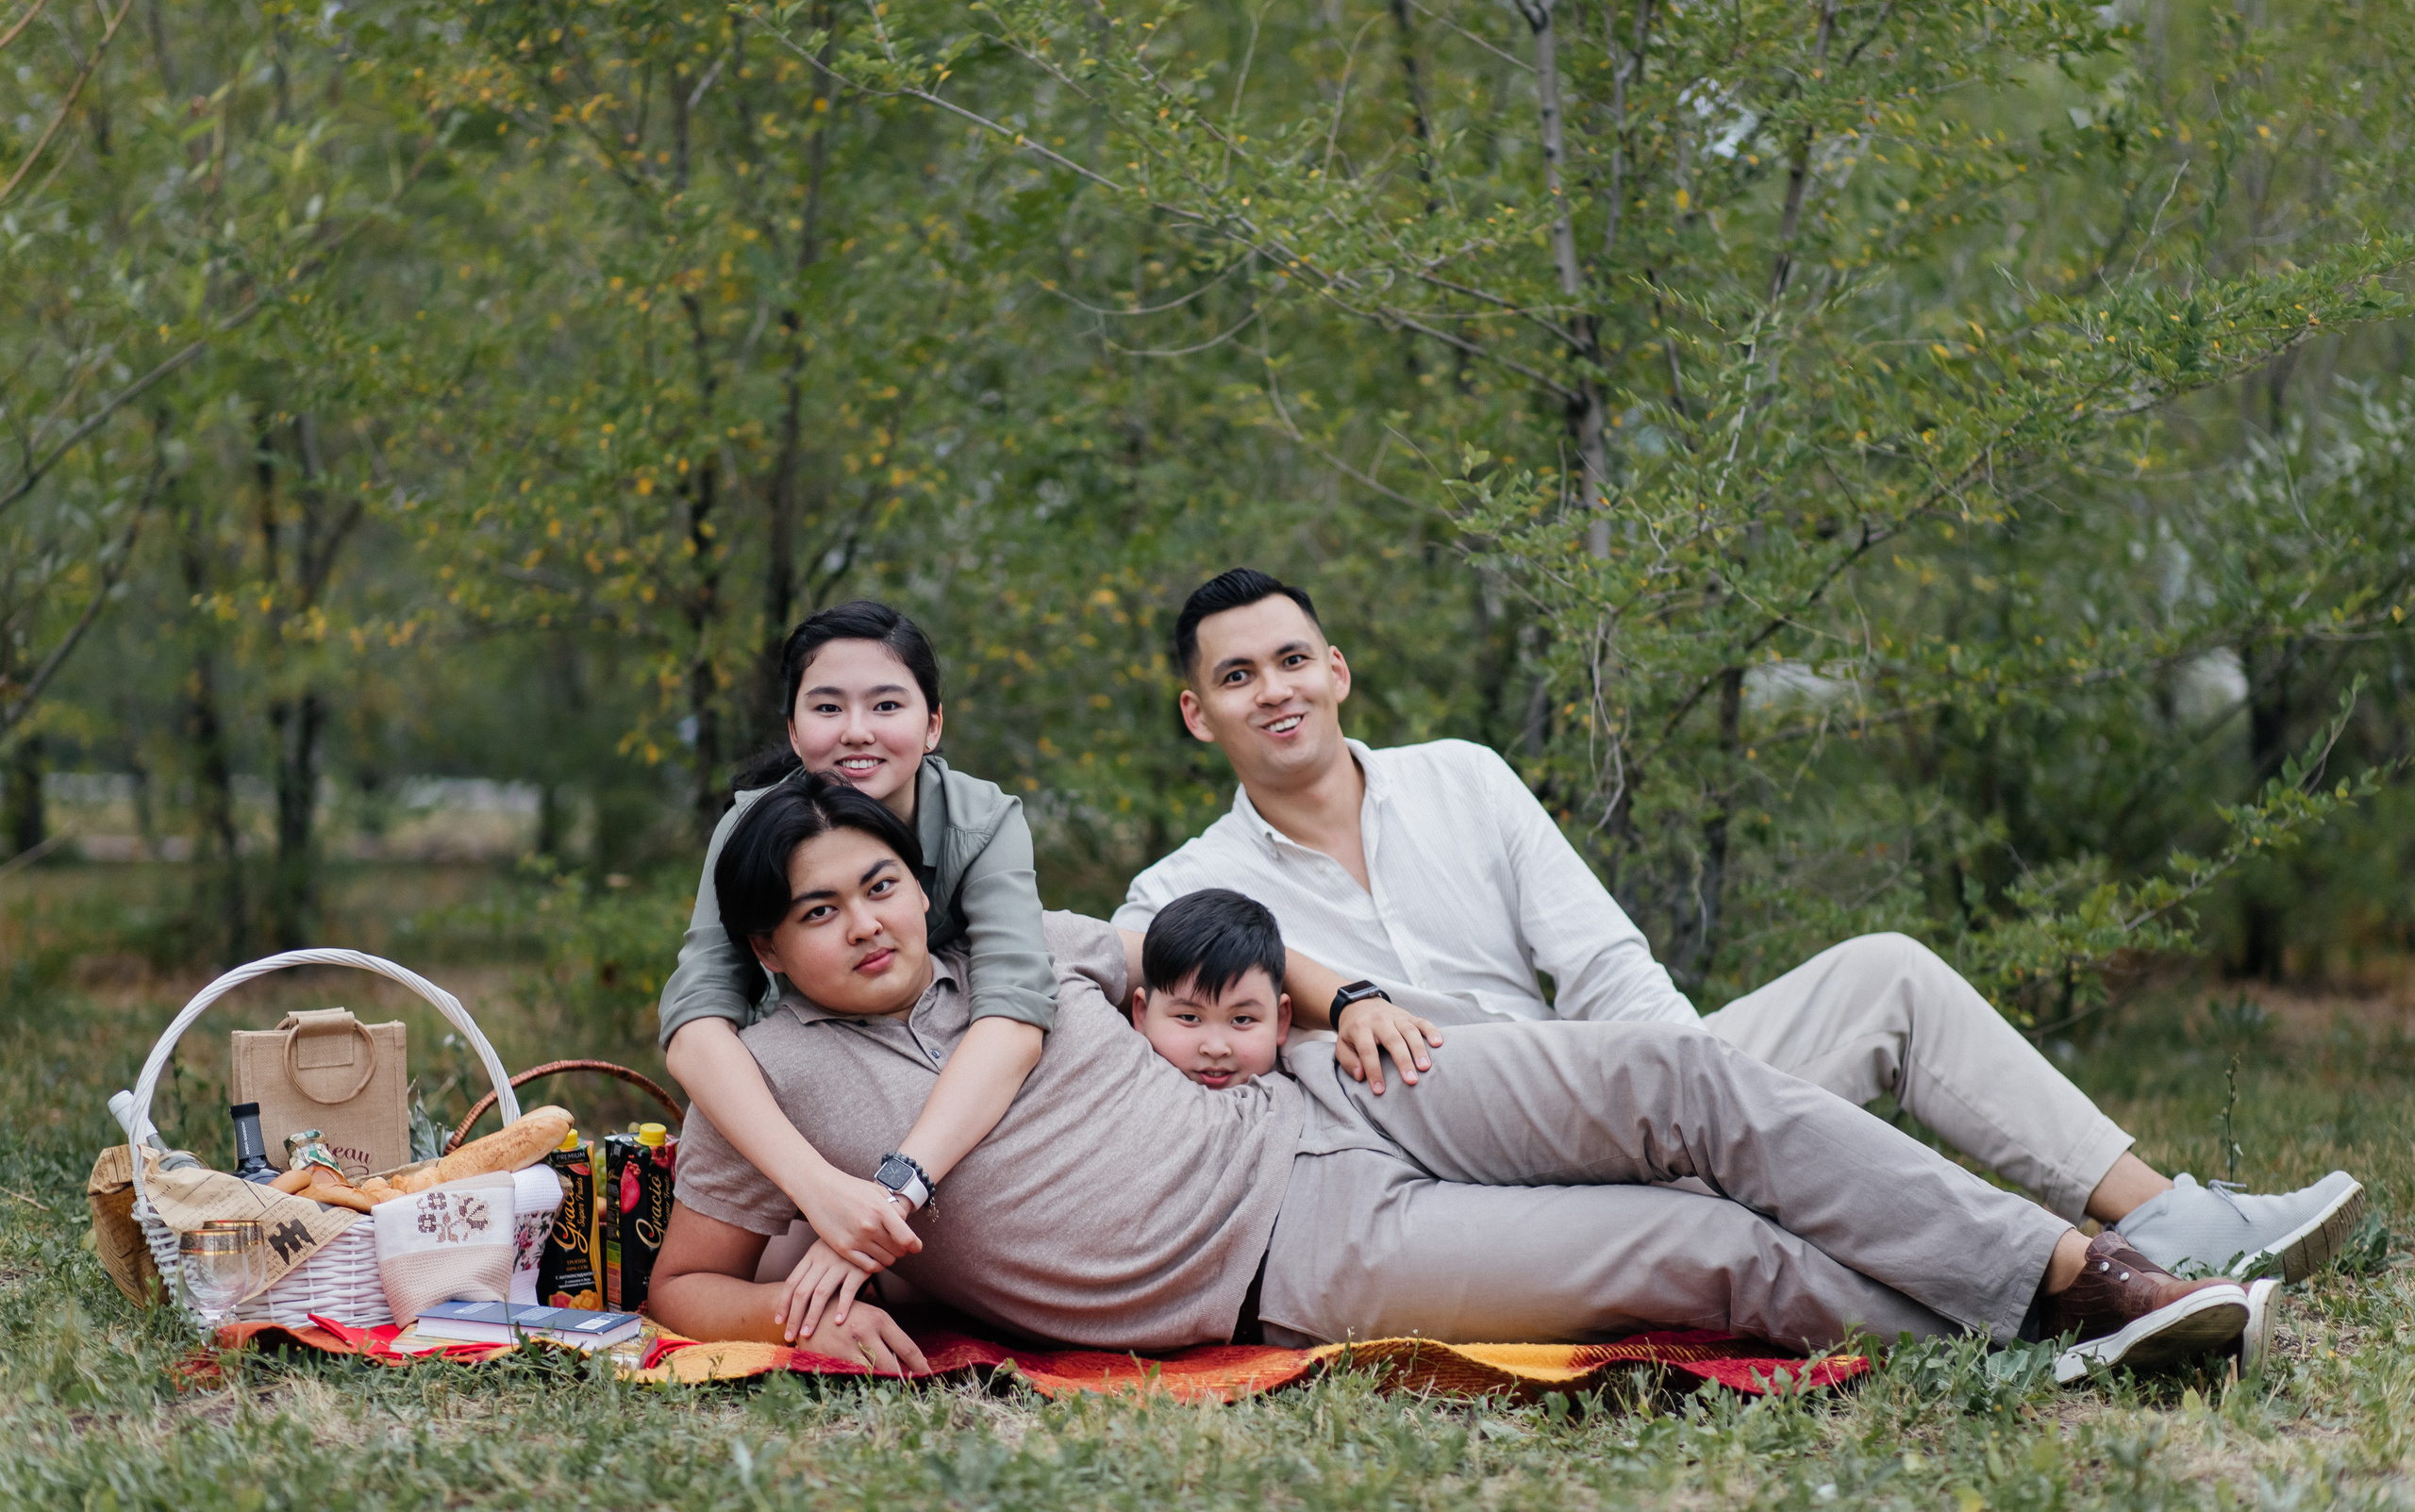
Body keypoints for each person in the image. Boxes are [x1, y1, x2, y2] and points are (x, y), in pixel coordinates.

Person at [647, 774, 2273, 1386]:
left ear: (920, 883)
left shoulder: (1028, 946)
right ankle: (2058, 1348)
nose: (865, 921)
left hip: (1336, 1090)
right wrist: (794, 1310)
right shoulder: (774, 1084)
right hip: (1286, 1261)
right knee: (1696, 1250)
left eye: (879, 884)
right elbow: (686, 1284)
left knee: (1681, 1079)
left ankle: (2083, 1268)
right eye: (816, 908)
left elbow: (1185, 940)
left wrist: (1339, 994)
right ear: (768, 951)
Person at [1112, 569, 2365, 1284]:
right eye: (1236, 675)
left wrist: (1701, 1080)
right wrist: (1337, 990)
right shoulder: (1192, 884)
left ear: (1336, 668)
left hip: (1618, 1088)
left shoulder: (1463, 777)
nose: (1270, 689)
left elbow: (1605, 965)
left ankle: (2162, 1217)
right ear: (1195, 713)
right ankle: (2063, 1275)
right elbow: (1120, 951)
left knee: (1887, 975)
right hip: (1451, 1162)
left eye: (1289, 659)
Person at [656, 601, 1056, 1295]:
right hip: (829, 1084)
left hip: (953, 1076)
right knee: (788, 1271)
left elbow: (1014, 1012)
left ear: (934, 723)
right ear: (792, 727)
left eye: (887, 704)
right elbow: (696, 1025)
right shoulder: (754, 828)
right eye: (828, 707)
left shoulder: (982, 821)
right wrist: (819, 1189)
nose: (857, 732)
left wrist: (896, 1188)